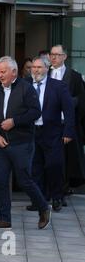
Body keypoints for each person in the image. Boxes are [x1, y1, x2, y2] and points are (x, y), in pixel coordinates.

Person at [0, 56, 51, 230]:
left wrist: (15, 121)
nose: (0, 75)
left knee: (24, 180)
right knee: (0, 180)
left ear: (14, 72)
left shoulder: (26, 88)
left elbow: (35, 112)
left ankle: (43, 207)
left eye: (3, 72)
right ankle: (4, 219)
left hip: (21, 143)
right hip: (1, 145)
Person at [26, 56, 75, 212]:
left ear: (47, 68)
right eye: (34, 67)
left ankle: (57, 197)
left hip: (52, 132)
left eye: (39, 67)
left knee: (54, 165)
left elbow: (68, 110)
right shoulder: (25, 85)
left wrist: (68, 131)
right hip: (32, 132)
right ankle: (39, 201)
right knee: (35, 167)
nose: (36, 70)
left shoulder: (58, 86)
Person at [49, 45, 85, 204]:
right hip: (47, 124)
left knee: (63, 160)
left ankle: (60, 193)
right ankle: (48, 192)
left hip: (65, 124)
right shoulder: (45, 73)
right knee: (48, 159)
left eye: (57, 54)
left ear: (64, 57)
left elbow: (82, 99)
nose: (54, 57)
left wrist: (71, 102)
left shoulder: (74, 76)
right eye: (52, 54)